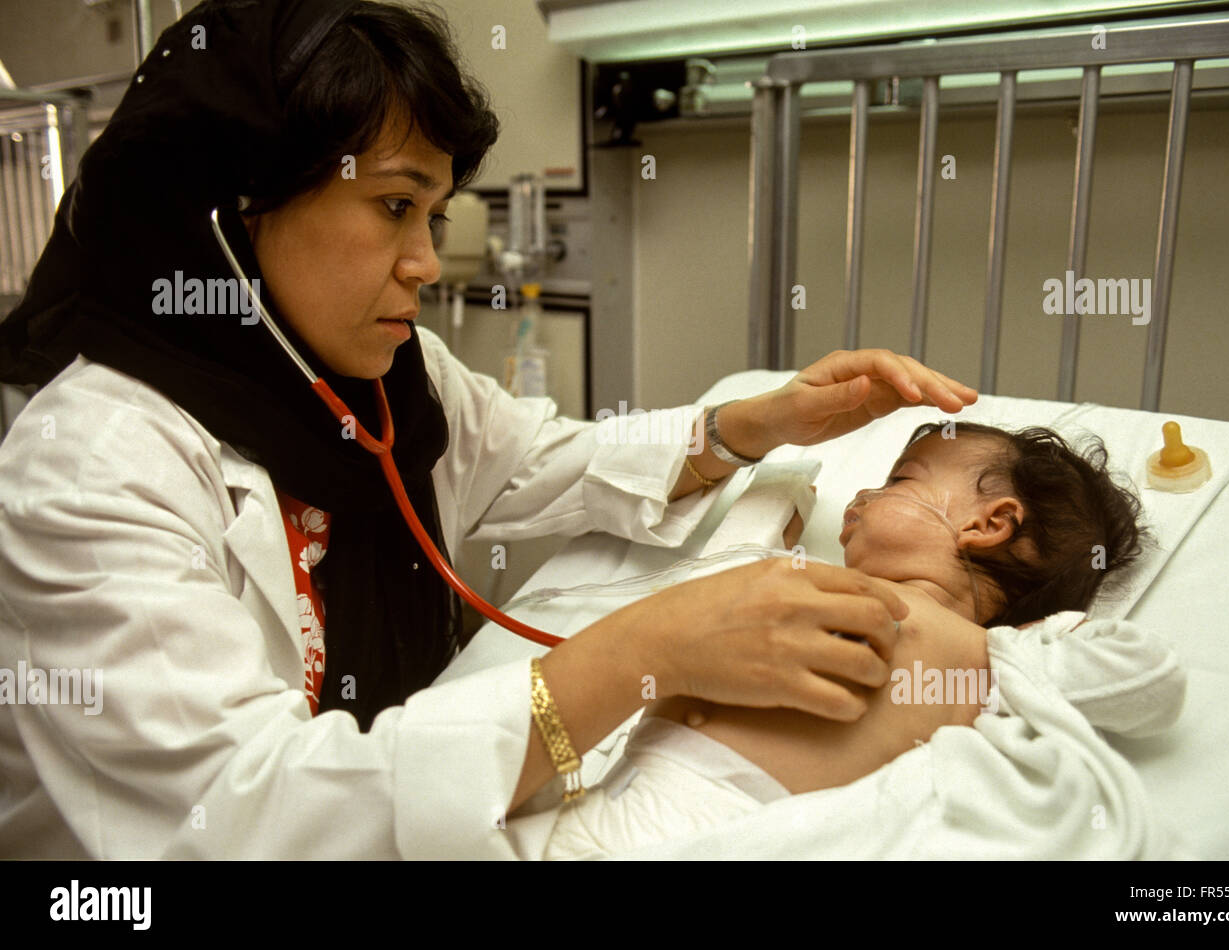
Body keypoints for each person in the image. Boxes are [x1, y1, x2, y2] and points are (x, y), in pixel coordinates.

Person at [0, 0, 977, 859]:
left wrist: (750, 423)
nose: (426, 262)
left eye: (435, 211)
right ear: (231, 217)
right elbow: (244, 820)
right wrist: (639, 651)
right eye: (393, 206)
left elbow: (542, 463)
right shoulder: (89, 466)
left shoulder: (386, 381)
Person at [536, 422, 1161, 858]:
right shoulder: (809, 584)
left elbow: (1147, 677)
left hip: (721, 830)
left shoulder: (991, 656)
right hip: (594, 803)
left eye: (901, 482)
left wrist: (1036, 644)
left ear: (990, 523)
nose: (862, 495)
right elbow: (712, 585)